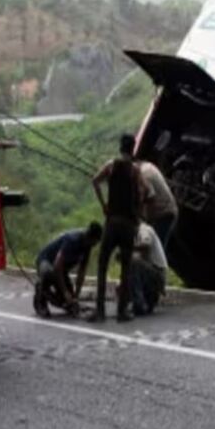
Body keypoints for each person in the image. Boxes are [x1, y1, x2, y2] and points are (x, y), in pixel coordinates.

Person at [88, 133, 146, 323]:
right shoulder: (136, 171)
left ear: (121, 147)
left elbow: (95, 181)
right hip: (129, 224)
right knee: (126, 269)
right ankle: (121, 312)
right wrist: (137, 215)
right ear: (133, 148)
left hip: (112, 223)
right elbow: (142, 193)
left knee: (103, 265)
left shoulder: (111, 166)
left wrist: (103, 205)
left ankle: (100, 311)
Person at [33, 222, 103, 318]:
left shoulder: (88, 246)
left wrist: (75, 296)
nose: (95, 245)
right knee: (49, 274)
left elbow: (81, 272)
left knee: (68, 303)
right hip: (47, 262)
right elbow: (57, 266)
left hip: (61, 270)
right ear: (90, 237)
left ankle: (62, 297)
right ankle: (40, 299)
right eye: (95, 242)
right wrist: (65, 292)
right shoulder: (72, 240)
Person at [128, 222, 169, 316]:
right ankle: (144, 301)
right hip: (151, 273)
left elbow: (146, 244)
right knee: (130, 263)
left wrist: (128, 248)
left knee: (133, 262)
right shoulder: (136, 235)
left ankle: (139, 304)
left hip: (157, 273)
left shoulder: (144, 229)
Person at [139, 160, 178, 249]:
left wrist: (147, 221)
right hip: (163, 210)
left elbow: (150, 198)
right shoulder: (146, 167)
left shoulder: (144, 176)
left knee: (156, 248)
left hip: (164, 212)